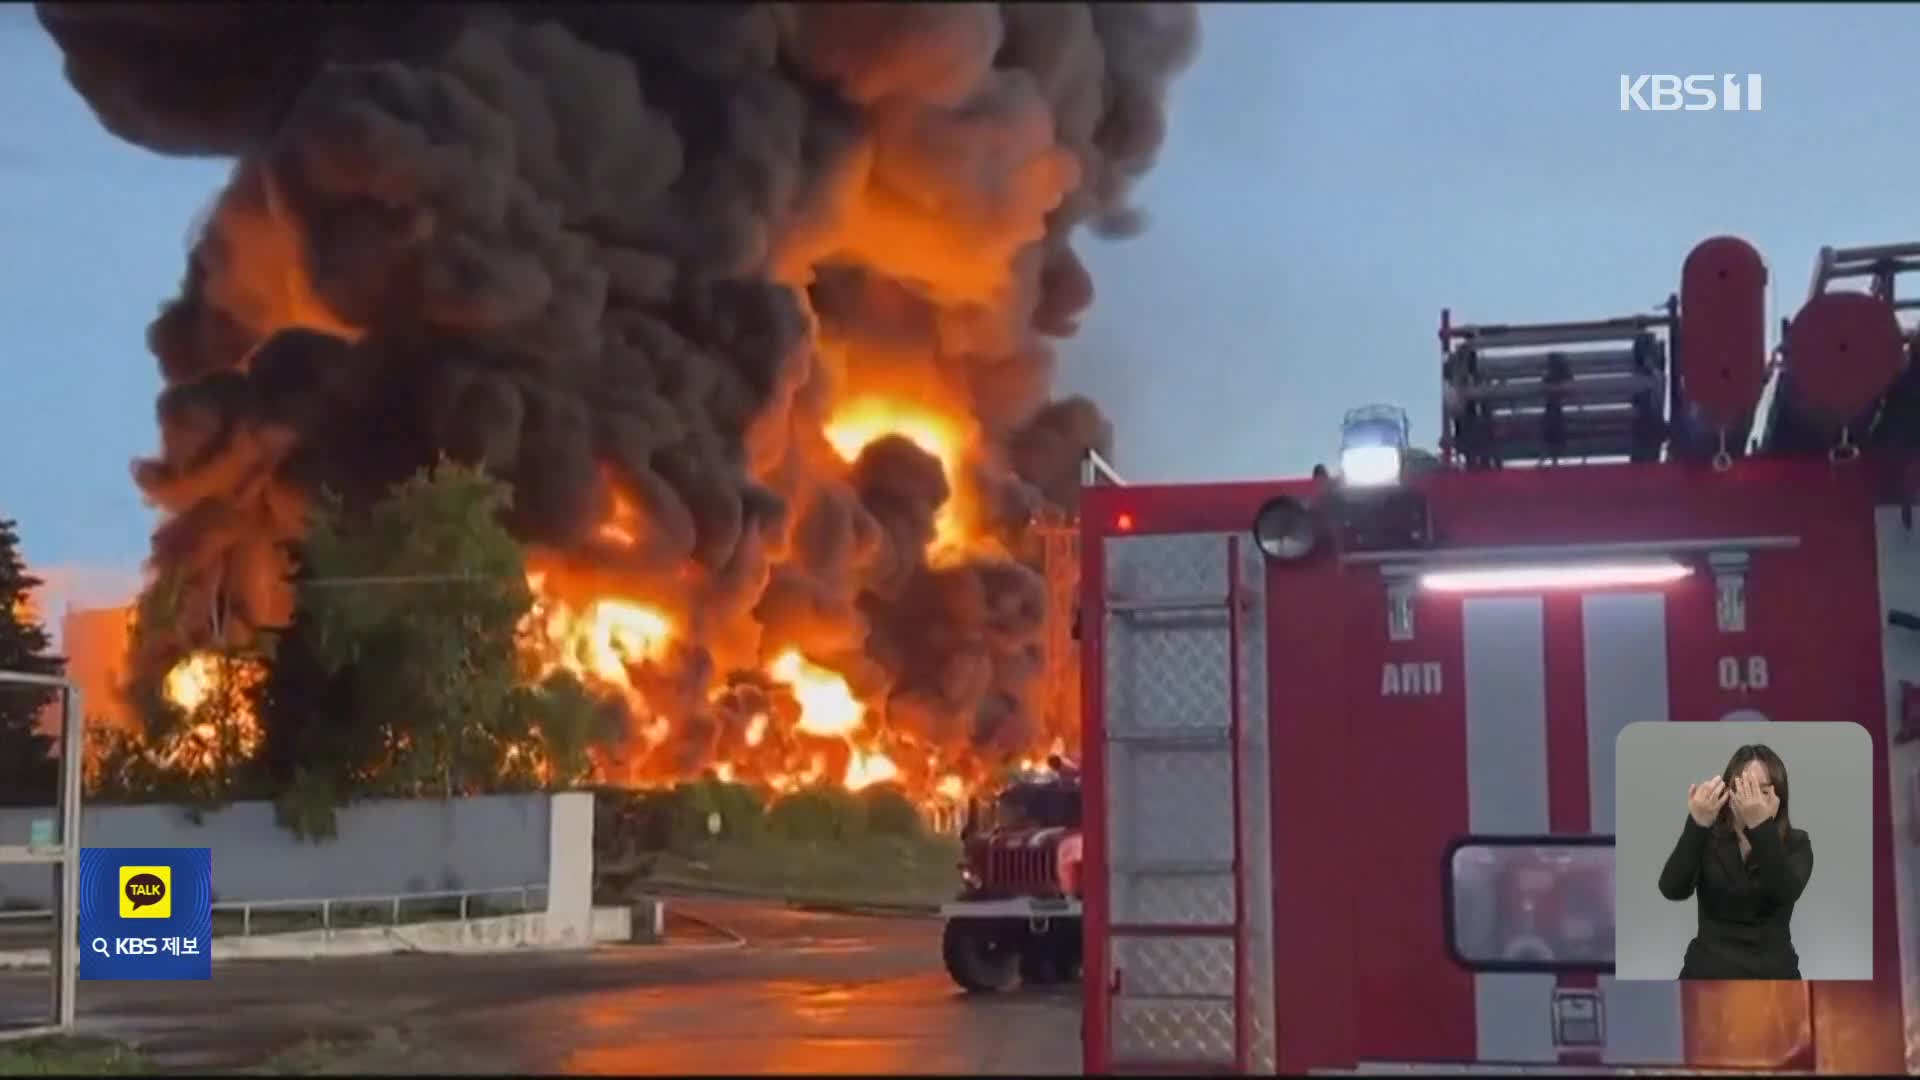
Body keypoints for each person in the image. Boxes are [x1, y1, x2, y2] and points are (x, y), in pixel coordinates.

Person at [1656, 743, 1814, 979]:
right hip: (1708, 970)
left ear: (1778, 796)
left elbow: (1782, 893)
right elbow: (1672, 889)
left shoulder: (1796, 843)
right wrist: (1697, 824)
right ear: (1728, 791)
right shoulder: (1709, 837)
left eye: (1761, 790)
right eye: (1743, 788)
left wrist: (1760, 827)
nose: (1750, 799)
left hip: (1773, 975)